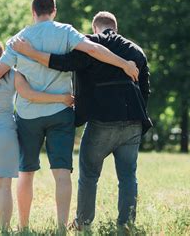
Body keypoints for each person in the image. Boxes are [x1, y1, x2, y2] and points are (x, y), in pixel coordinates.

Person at [0, 0, 139, 229]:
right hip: (61, 110)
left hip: (28, 116)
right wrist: (124, 63)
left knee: (26, 172)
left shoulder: (18, 40)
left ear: (33, 12)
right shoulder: (66, 32)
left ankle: (23, 227)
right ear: (54, 10)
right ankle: (62, 228)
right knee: (62, 173)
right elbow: (94, 49)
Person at [11, 11, 152, 228]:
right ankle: (126, 225)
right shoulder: (137, 51)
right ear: (116, 28)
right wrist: (139, 122)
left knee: (89, 175)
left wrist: (30, 52)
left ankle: (83, 223)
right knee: (127, 177)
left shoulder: (89, 45)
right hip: (132, 120)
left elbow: (61, 62)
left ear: (95, 27)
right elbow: (145, 91)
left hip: (101, 120)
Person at [0, 39, 73, 229]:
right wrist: (60, 98)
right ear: (1, 56)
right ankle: (5, 229)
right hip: (6, 129)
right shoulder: (13, 74)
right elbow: (30, 94)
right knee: (4, 186)